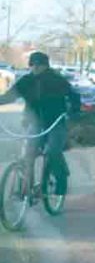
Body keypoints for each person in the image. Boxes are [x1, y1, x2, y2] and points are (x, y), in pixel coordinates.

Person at [0, 52, 76, 207]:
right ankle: (27, 189)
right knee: (28, 153)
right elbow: (10, 96)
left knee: (52, 151)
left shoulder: (57, 80)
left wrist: (74, 110)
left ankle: (61, 182)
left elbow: (73, 96)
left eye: (39, 65)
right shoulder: (26, 81)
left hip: (55, 123)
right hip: (35, 122)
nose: (35, 68)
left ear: (46, 66)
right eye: (32, 65)